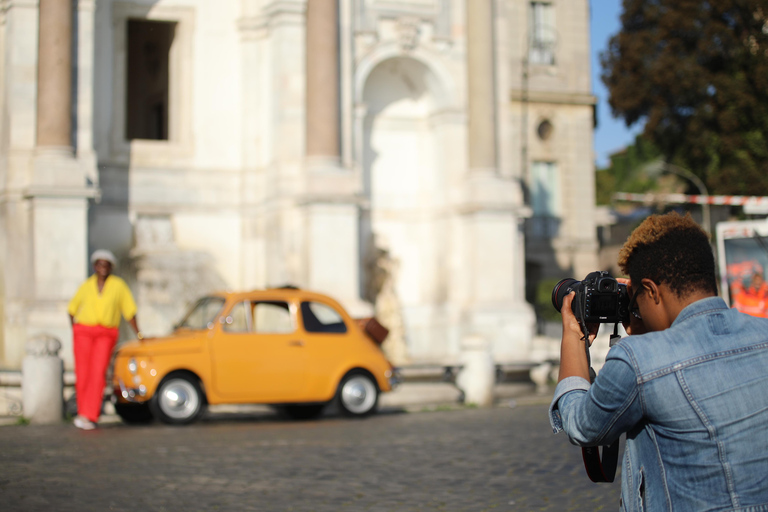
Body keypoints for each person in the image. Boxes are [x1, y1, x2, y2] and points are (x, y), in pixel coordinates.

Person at [549, 212, 768, 511]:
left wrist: (574, 335)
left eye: (636, 297)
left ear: (651, 291)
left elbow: (582, 426)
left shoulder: (639, 360)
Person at [68, 250, 142, 430]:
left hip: (105, 333)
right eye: (99, 264)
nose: (102, 268)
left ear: (111, 267)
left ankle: (91, 415)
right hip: (84, 332)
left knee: (98, 371)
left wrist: (139, 334)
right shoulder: (87, 285)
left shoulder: (118, 286)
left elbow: (129, 311)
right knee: (83, 372)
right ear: (95, 267)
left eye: (106, 264)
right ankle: (82, 412)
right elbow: (72, 309)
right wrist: (76, 331)